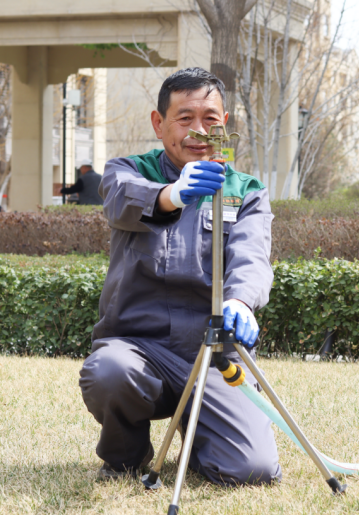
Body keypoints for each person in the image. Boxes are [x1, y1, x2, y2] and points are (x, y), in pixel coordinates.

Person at [78, 67, 280, 486]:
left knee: (252, 470)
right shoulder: (126, 170)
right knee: (109, 372)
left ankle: (203, 427)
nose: (198, 130)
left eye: (210, 118)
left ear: (226, 125)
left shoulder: (245, 190)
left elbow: (253, 256)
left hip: (212, 352)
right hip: (138, 347)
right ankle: (126, 457)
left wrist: (241, 300)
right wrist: (173, 194)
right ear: (159, 123)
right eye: (184, 118)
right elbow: (121, 203)